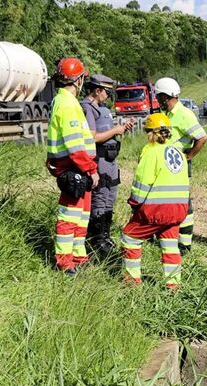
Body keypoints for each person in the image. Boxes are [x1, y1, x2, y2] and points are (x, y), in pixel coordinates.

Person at [120, 114, 189, 289]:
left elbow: (142, 183)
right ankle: (173, 285)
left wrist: (135, 205)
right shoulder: (178, 152)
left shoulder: (150, 152)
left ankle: (131, 282)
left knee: (129, 237)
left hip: (157, 209)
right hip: (179, 209)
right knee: (170, 245)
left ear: (150, 133)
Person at [45, 57, 98, 276]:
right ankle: (65, 262)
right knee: (69, 217)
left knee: (80, 216)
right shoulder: (67, 104)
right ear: (78, 80)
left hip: (77, 167)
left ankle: (77, 256)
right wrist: (91, 169)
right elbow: (75, 146)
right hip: (75, 167)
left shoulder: (65, 102)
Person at [81, 74, 135, 256]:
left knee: (110, 196)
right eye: (106, 92)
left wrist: (121, 130)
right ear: (97, 90)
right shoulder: (88, 108)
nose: (108, 96)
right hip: (99, 159)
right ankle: (96, 239)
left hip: (111, 159)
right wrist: (115, 130)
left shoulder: (101, 108)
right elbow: (92, 137)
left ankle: (105, 235)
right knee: (100, 198)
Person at [154, 77, 207, 255]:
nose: (157, 100)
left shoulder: (184, 114)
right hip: (167, 167)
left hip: (178, 167)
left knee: (184, 204)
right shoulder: (168, 114)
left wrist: (189, 156)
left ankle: (185, 244)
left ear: (165, 96)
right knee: (168, 202)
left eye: (158, 96)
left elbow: (202, 137)